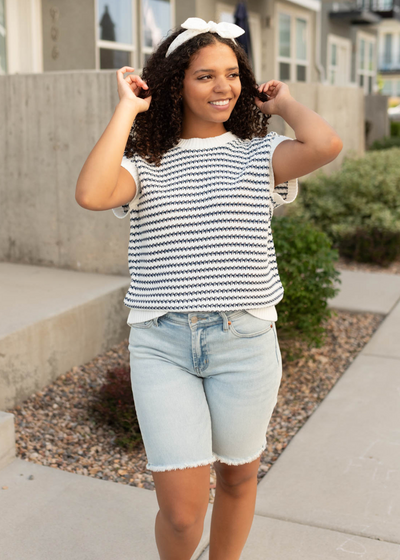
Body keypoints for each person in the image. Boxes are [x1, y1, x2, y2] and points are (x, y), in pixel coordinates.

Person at [75, 16, 343, 560]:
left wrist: (283, 103)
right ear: (175, 83)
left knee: (240, 479)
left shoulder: (257, 154)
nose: (223, 87)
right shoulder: (145, 163)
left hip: (244, 341)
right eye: (204, 76)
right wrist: (129, 108)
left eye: (232, 74)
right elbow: (91, 192)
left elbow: (325, 142)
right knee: (180, 514)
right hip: (162, 344)